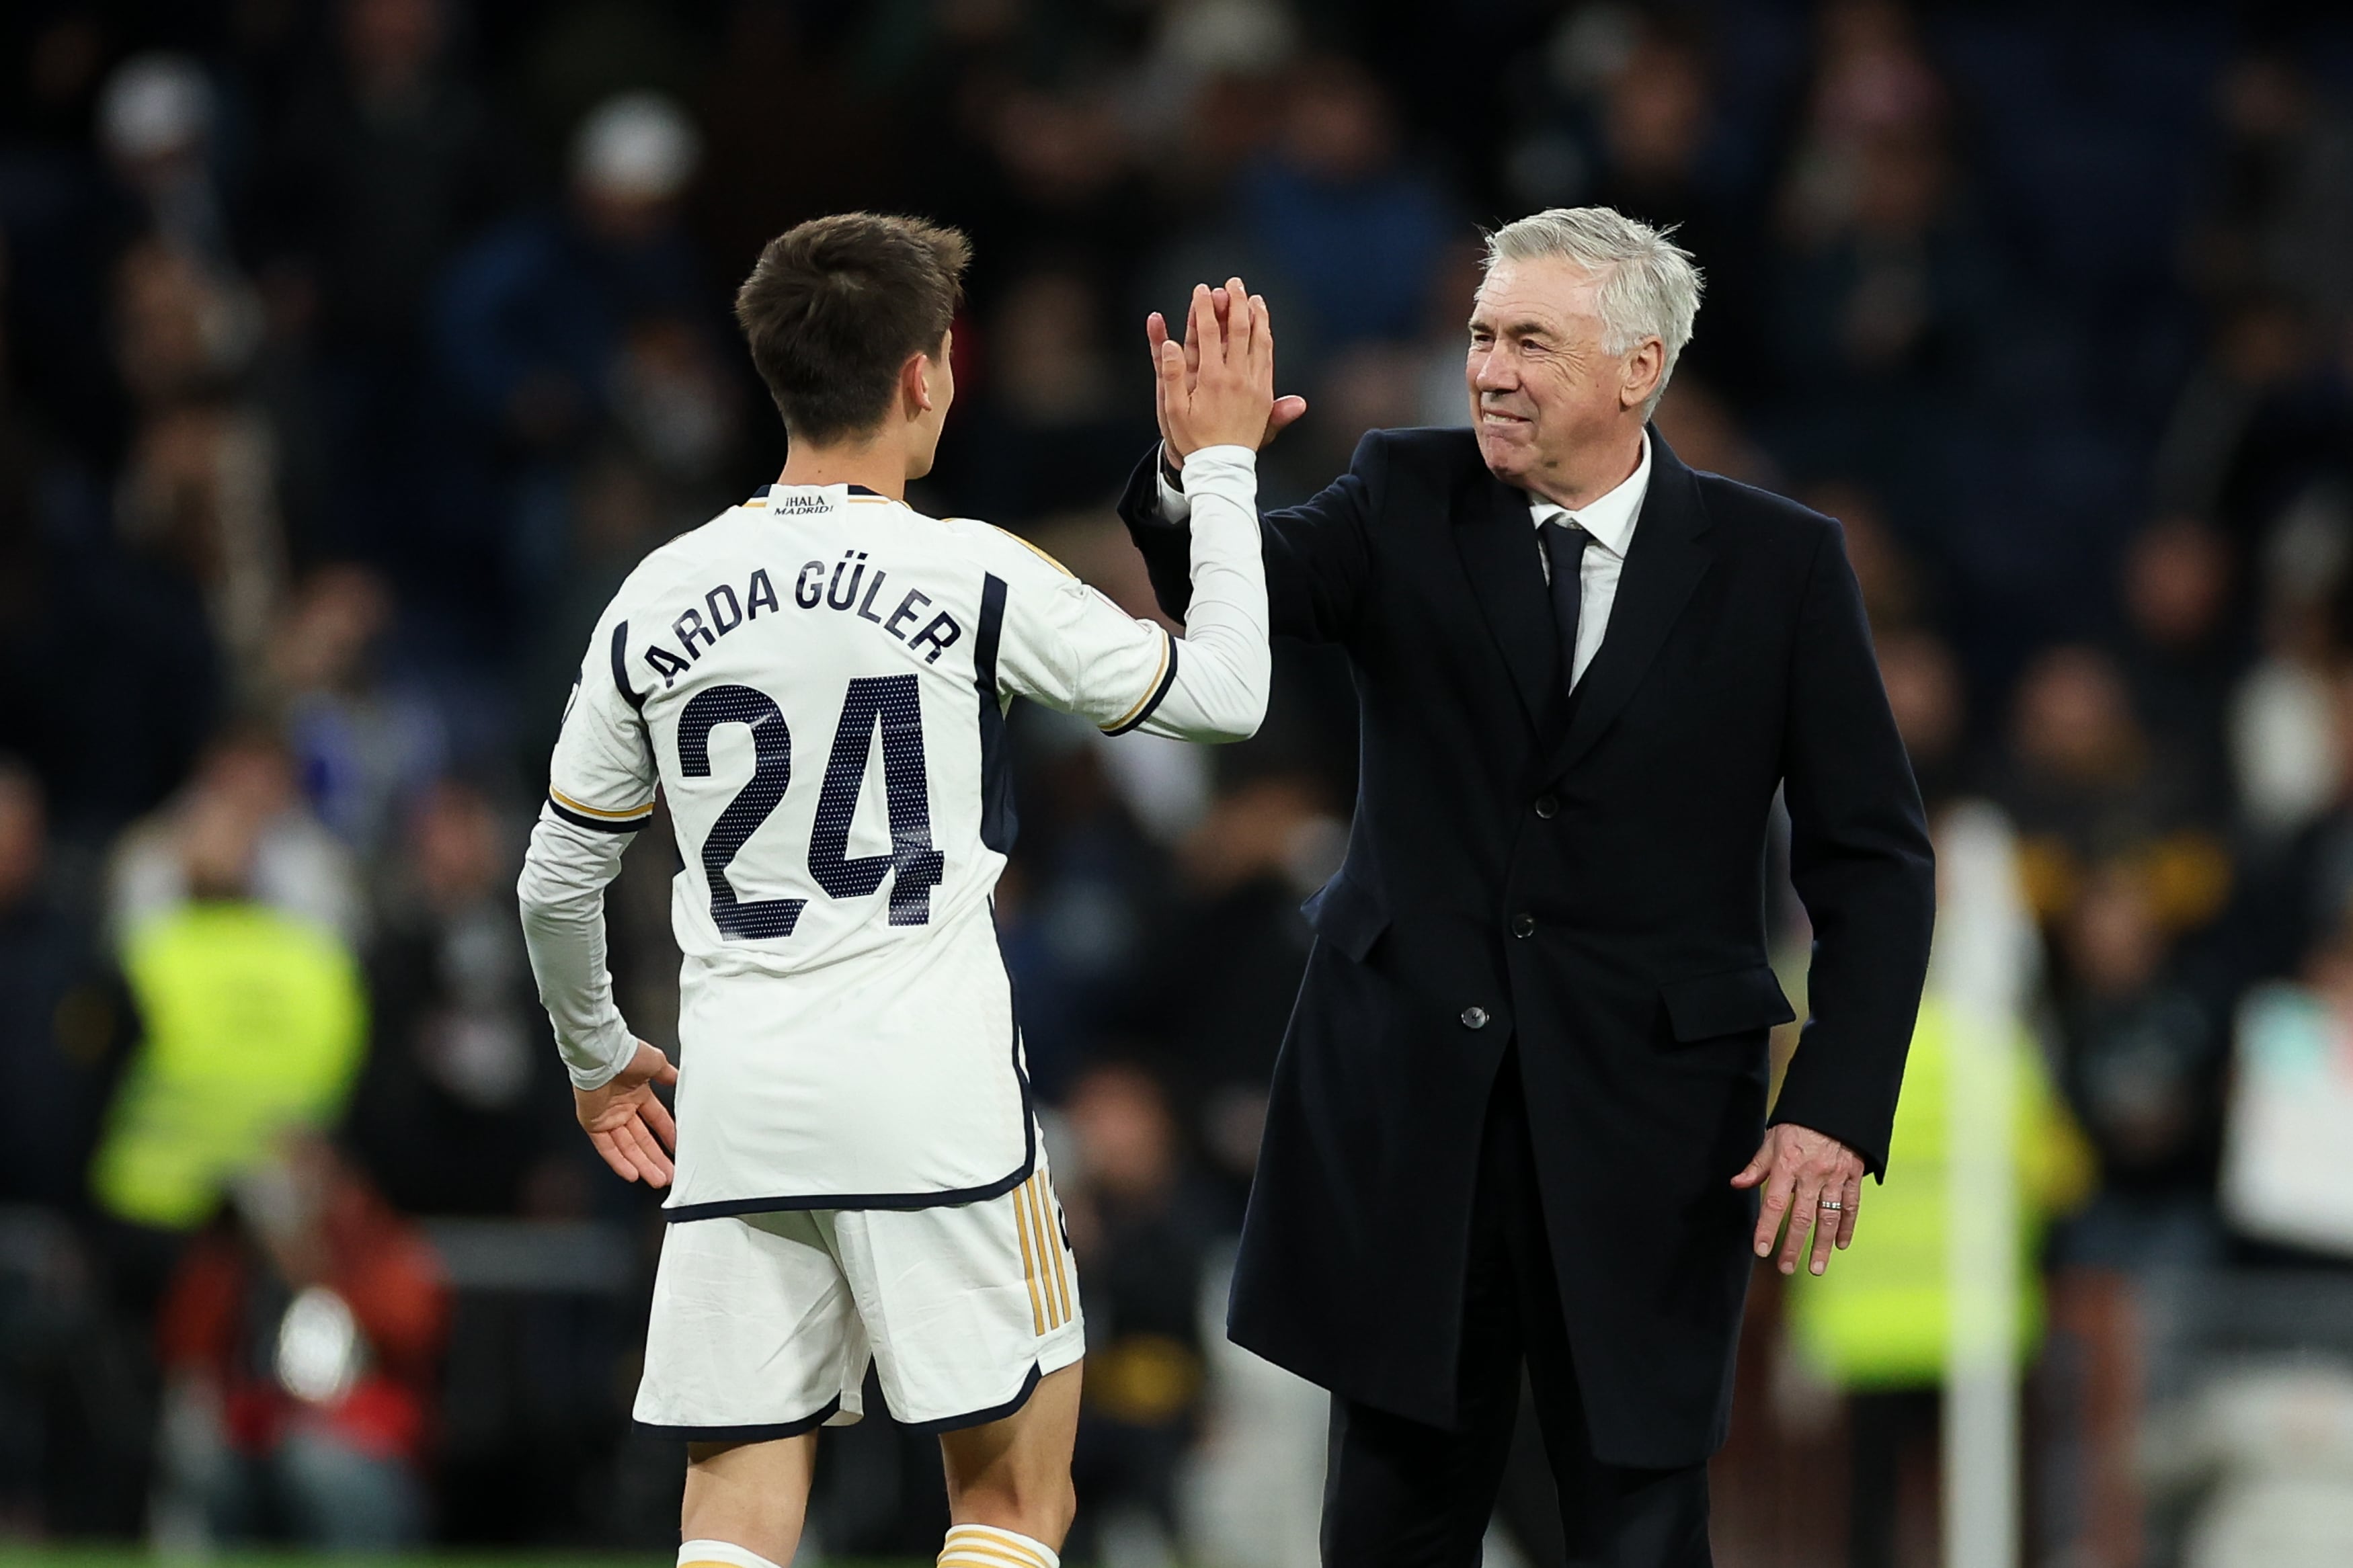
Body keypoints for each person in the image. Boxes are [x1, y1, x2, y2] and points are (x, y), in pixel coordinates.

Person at [1121, 206, 1936, 1565]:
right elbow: (1237, 594)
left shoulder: (1780, 565)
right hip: (1410, 1120)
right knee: (1390, 1520)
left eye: (1530, 344)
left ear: (1638, 368)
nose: (1488, 371)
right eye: (1481, 338)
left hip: (1651, 1134)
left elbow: (1875, 862)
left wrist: (1835, 1111)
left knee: (1634, 1529)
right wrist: (1194, 472)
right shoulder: (1400, 491)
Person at [515, 212, 1276, 1568]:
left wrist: (596, 1059)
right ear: (924, 375)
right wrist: (1217, 470)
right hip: (935, 1100)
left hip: (742, 1099)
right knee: (1008, 1503)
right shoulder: (968, 568)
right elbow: (1226, 696)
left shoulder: (654, 594)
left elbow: (556, 883)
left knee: (736, 1521)